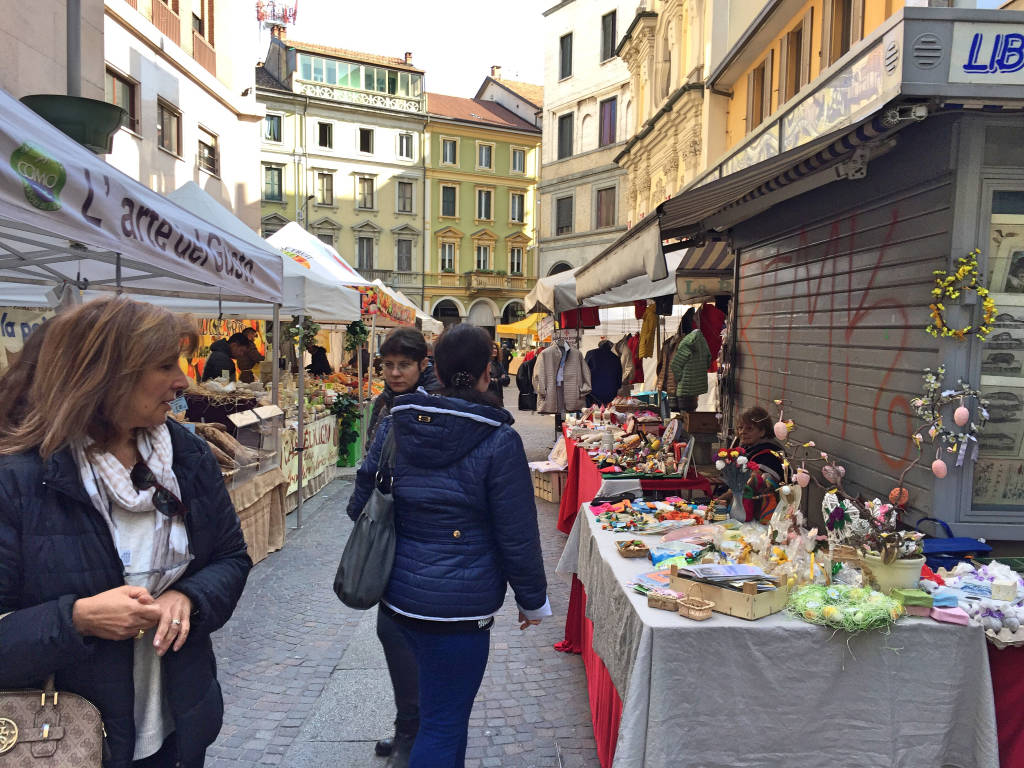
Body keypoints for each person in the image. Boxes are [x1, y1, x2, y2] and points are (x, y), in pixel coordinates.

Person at [0, 297, 252, 768]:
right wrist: (75, 619)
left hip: (177, 729)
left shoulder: (186, 455)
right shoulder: (20, 478)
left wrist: (190, 597)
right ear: (104, 375)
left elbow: (232, 558)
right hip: (63, 741)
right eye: (163, 365)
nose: (183, 380)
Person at [348, 323, 550, 768]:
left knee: (442, 721)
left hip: (398, 598)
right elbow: (517, 531)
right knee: (443, 723)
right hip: (459, 611)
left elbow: (358, 504)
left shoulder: (397, 422)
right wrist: (532, 600)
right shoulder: (499, 439)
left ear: (433, 368)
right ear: (486, 373)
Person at [352, 327, 440, 767]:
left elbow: (376, 467)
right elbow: (370, 458)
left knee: (399, 632)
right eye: (388, 365)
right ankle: (408, 725)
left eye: (403, 364)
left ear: (423, 363)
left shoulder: (422, 405)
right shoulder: (388, 402)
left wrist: (360, 509)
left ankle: (413, 730)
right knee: (394, 631)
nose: (394, 372)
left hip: (410, 530)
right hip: (391, 526)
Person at [714, 405, 786, 523]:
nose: (743, 432)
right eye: (740, 428)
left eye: (749, 428)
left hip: (763, 512)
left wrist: (719, 501)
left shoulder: (769, 452)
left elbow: (752, 483)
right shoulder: (749, 446)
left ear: (762, 431)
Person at [585, 339, 623, 406]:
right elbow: (619, 374)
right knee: (608, 410)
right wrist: (618, 386)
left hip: (593, 388)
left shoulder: (591, 353)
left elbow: (584, 370)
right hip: (611, 389)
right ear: (610, 347)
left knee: (593, 410)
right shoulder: (615, 357)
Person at [487, 342, 510, 406]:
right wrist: (499, 379)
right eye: (492, 348)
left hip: (499, 396)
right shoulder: (485, 363)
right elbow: (487, 381)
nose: (495, 350)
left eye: (496, 348)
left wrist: (496, 380)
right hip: (488, 397)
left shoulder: (499, 364)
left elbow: (507, 380)